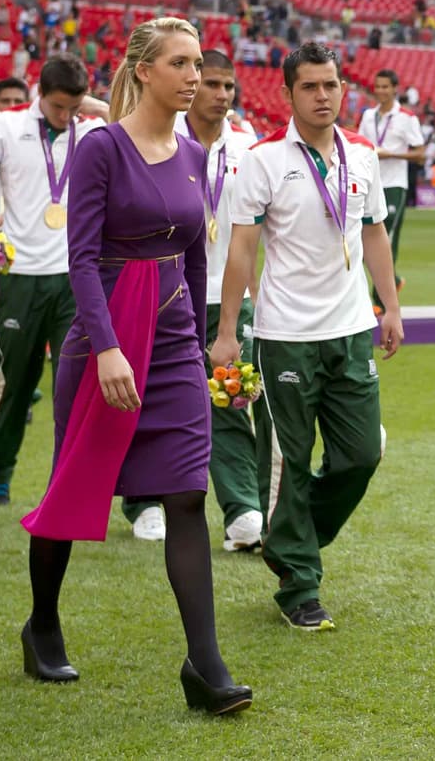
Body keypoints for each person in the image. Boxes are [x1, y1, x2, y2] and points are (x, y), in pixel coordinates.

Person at [13, 17, 252, 714]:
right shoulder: (100, 148)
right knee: (75, 483)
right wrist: (108, 342)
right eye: (180, 64)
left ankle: (205, 666)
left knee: (185, 493)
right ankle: (43, 623)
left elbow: (198, 252)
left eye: (197, 65)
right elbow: (79, 257)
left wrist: (209, 337)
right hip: (106, 338)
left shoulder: (193, 153)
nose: (194, 78)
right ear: (144, 70)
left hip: (176, 338)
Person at [211, 42, 403, 631]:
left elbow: (373, 234)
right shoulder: (263, 159)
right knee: (288, 462)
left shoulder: (363, 156)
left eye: (332, 85)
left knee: (362, 453)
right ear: (288, 94)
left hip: (351, 333)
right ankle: (299, 585)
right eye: (311, 87)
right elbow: (242, 246)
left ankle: (292, 539)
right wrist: (226, 333)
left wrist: (390, 307)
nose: (324, 96)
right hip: (284, 334)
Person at [0, 54, 106, 506]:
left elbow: (136, 119)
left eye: (73, 106)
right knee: (17, 383)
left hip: (76, 278)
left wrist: (92, 107)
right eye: (58, 106)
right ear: (40, 95)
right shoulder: (5, 127)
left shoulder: (93, 130)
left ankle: (67, 484)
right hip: (20, 276)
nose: (65, 115)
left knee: (73, 385)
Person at [171, 49, 263, 552]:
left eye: (229, 86)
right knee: (156, 398)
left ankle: (242, 509)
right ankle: (143, 500)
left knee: (230, 400)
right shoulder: (162, 139)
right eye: (212, 84)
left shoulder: (247, 148)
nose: (222, 95)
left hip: (227, 298)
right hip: (167, 294)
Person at [358, 69, 424, 312]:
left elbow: (420, 154)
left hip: (395, 184)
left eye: (386, 86)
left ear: (395, 89)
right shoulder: (368, 116)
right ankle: (394, 282)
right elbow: (361, 146)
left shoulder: (407, 118)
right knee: (364, 241)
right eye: (378, 86)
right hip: (371, 183)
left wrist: (390, 154)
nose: (381, 91)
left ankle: (380, 302)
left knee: (388, 240)